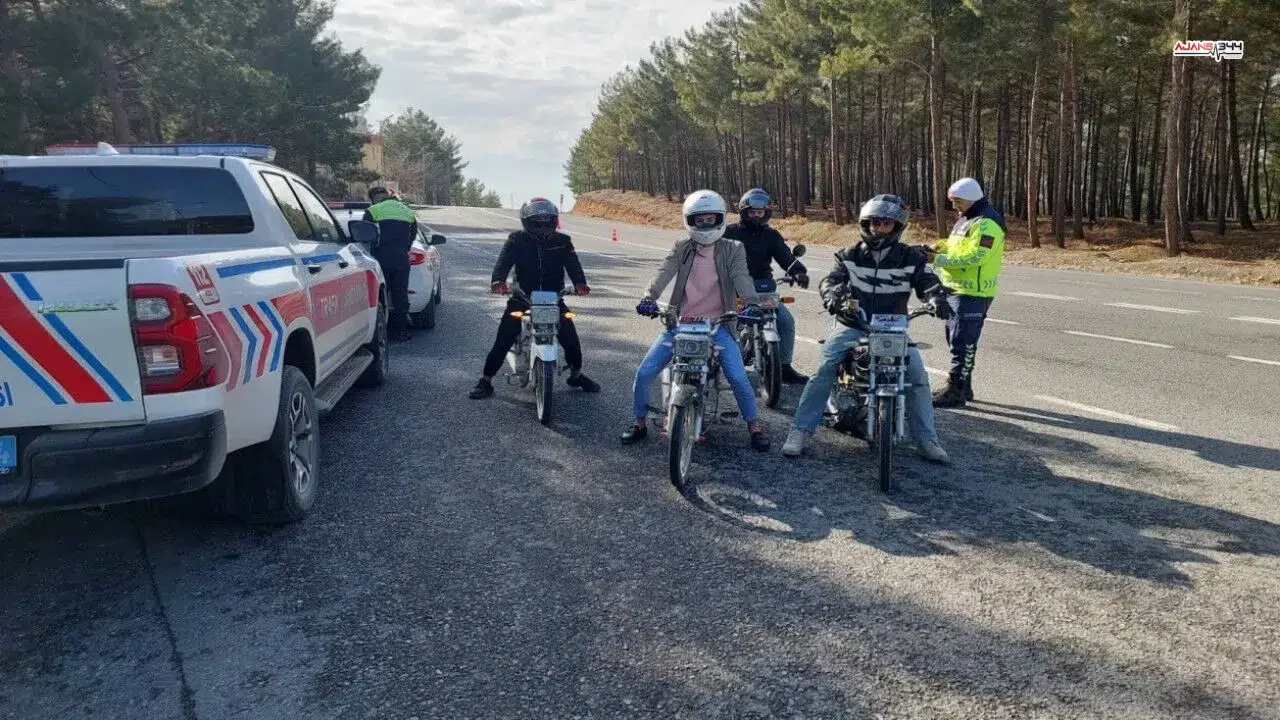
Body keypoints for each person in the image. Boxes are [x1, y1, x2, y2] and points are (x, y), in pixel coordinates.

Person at [780, 194, 952, 463]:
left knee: (917, 377)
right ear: (865, 223)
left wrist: (936, 297)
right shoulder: (849, 255)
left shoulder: (912, 257)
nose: (878, 228)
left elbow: (927, 281)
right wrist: (833, 295)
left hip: (893, 329)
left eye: (885, 224)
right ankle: (800, 431)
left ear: (896, 227)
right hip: (853, 325)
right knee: (824, 371)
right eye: (874, 223)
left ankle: (927, 440)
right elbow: (832, 280)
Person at [621, 189, 770, 451]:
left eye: (711, 218)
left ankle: (754, 426)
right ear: (689, 220)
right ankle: (639, 421)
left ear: (721, 218)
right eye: (699, 219)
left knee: (737, 377)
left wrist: (752, 303)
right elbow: (662, 273)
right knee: (644, 372)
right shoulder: (681, 248)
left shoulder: (734, 248)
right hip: (680, 324)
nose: (705, 224)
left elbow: (741, 277)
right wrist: (648, 297)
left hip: (719, 325)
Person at [468, 197, 600, 399]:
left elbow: (573, 264)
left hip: (553, 299)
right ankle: (486, 380)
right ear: (527, 222)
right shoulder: (516, 239)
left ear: (554, 221)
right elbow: (503, 263)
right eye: (538, 221)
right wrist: (498, 281)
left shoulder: (563, 241)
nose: (543, 225)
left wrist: (580, 284)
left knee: (571, 340)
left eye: (547, 221)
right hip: (521, 297)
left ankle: (576, 374)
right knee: (503, 339)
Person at [927, 177, 1007, 408]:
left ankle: (956, 390)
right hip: (955, 288)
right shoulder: (966, 218)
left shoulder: (987, 223)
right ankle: (964, 386)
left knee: (964, 342)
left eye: (957, 201)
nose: (954, 206)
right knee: (955, 340)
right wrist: (938, 246)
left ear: (971, 198)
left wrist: (938, 259)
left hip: (974, 292)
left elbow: (977, 256)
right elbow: (958, 245)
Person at [722, 188, 810, 384]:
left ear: (766, 213)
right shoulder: (729, 232)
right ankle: (723, 363)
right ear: (744, 212)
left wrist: (799, 272)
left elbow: (785, 256)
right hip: (736, 288)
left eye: (759, 212)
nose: (755, 216)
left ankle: (784, 366)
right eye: (752, 212)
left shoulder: (771, 235)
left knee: (786, 321)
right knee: (727, 323)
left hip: (764, 288)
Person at [362, 185, 417, 341]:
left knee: (379, 294)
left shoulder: (373, 211)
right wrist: (403, 249)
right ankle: (402, 331)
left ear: (373, 198)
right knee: (400, 294)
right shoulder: (407, 211)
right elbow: (412, 235)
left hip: (379, 258)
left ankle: (380, 332)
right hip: (401, 258)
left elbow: (365, 235)